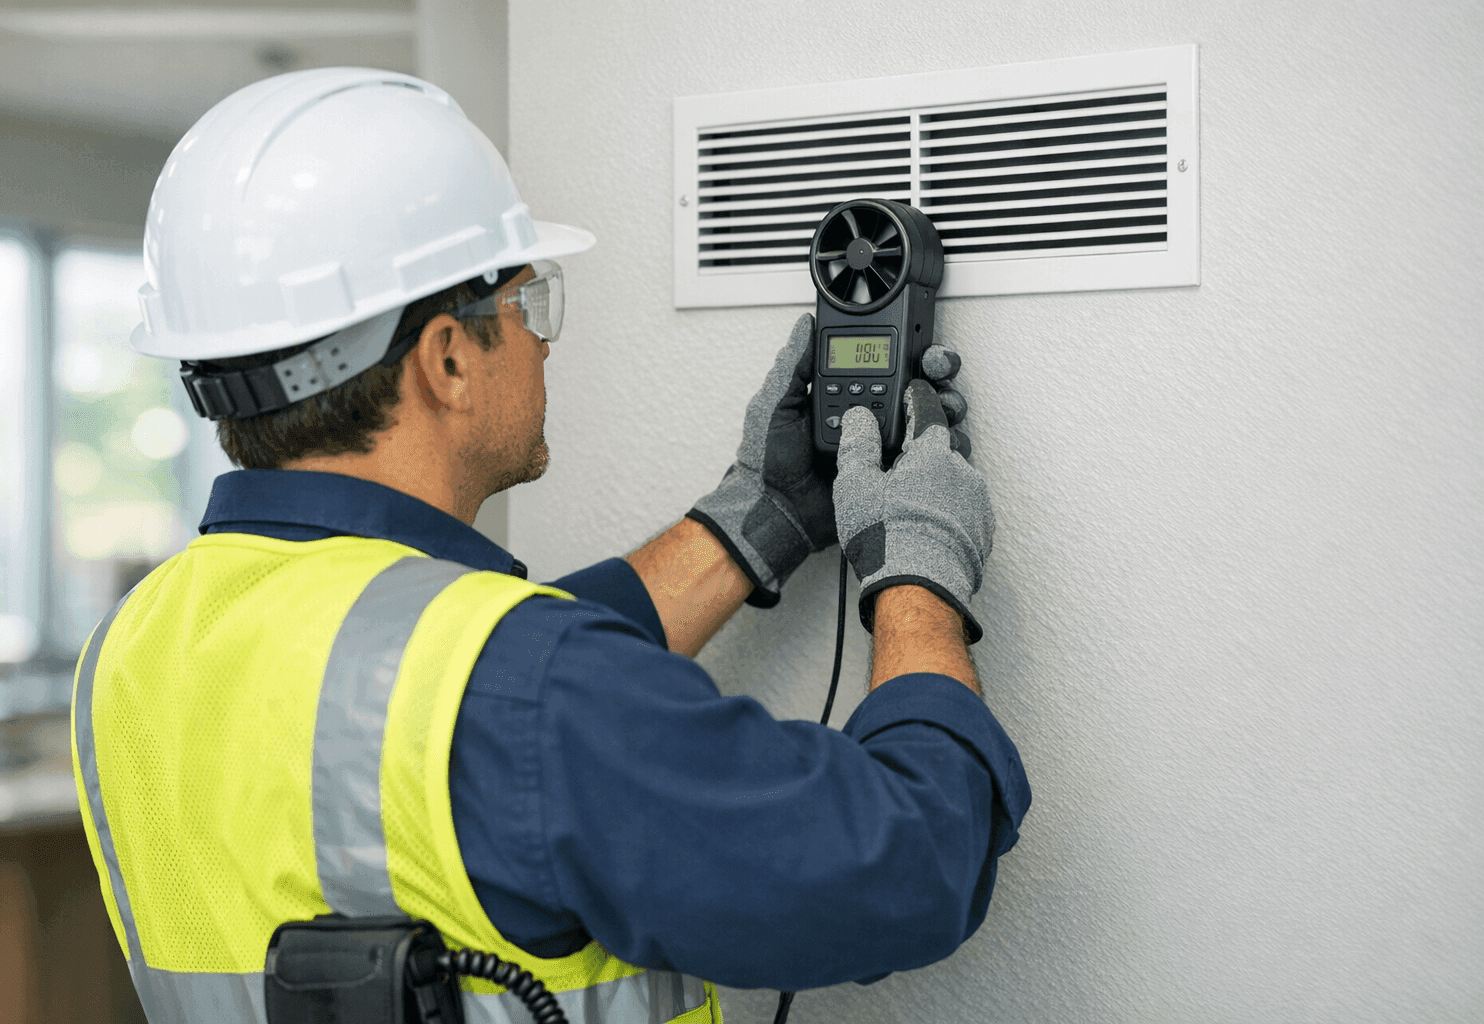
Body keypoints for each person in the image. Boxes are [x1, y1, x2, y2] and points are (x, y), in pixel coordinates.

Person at [71, 68, 1029, 1024]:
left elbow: (412, 703)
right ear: (448, 358)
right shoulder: (526, 686)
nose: (542, 343)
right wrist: (918, 571)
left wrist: (754, 519)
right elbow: (903, 866)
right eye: (531, 307)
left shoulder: (130, 649)